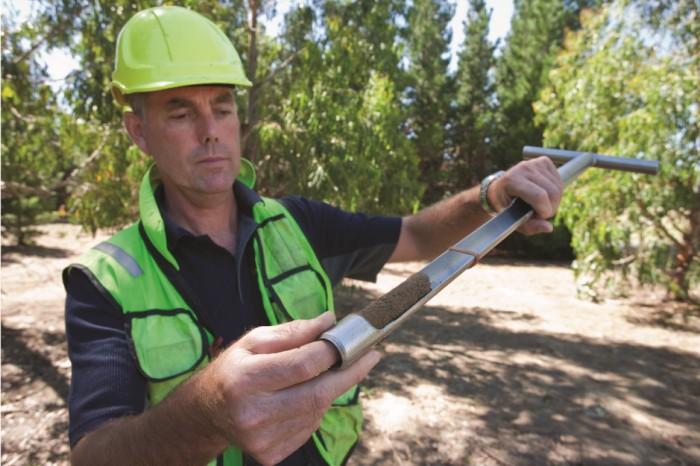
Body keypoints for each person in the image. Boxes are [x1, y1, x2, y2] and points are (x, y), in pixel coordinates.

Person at [63, 6, 563, 466]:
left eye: (222, 106)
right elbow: (92, 454)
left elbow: (415, 236)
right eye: (180, 113)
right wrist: (206, 413)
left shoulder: (297, 223)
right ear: (139, 131)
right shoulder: (105, 279)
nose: (211, 130)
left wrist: (491, 194)